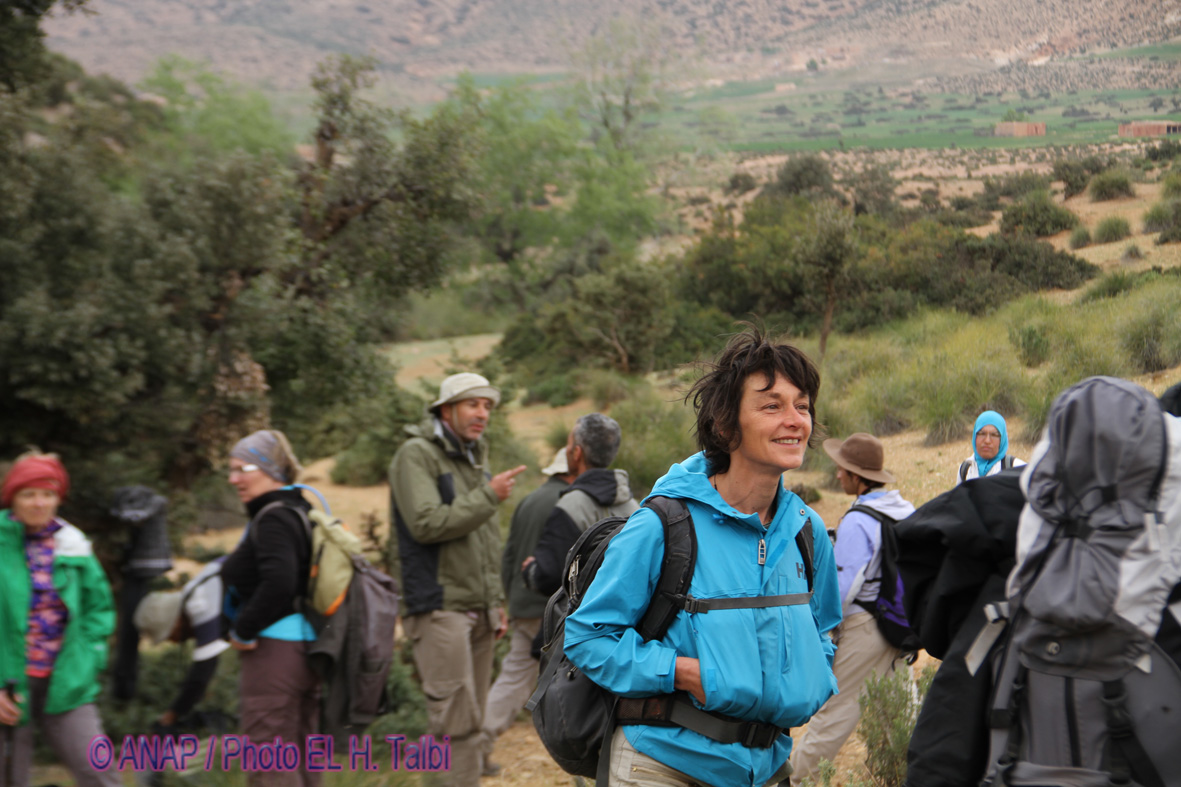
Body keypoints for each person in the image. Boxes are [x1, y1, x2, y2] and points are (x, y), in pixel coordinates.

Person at [564, 327, 841, 787]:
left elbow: (824, 629)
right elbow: (588, 637)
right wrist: (685, 673)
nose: (795, 420)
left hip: (766, 767)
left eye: (802, 406)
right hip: (661, 763)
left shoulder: (808, 531)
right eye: (772, 406)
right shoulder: (664, 525)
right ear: (726, 425)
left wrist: (810, 677)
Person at [389, 373, 526, 787]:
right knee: (457, 722)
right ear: (445, 410)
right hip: (438, 605)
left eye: (487, 406)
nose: (482, 413)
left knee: (464, 720)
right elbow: (426, 523)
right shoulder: (416, 454)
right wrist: (489, 495)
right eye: (472, 404)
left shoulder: (472, 457)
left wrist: (494, 601)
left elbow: (482, 538)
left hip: (477, 607)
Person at [789, 433, 916, 786]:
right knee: (900, 713)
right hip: (900, 626)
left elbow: (842, 590)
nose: (838, 475)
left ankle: (793, 781)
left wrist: (818, 627)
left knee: (835, 712)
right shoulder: (904, 510)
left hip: (864, 627)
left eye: (843, 470)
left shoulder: (858, 520)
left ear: (858, 477)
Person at [0, 452, 120, 787]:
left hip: (66, 679)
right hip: (9, 684)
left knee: (99, 772)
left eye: (48, 494)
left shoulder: (73, 545)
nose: (39, 503)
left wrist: (90, 656)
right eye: (28, 494)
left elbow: (99, 608)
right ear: (12, 498)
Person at [219, 430, 319, 787]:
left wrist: (243, 630)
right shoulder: (299, 509)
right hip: (306, 650)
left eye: (242, 469)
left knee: (270, 762)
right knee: (303, 758)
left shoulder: (274, 517)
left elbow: (280, 582)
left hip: (274, 652)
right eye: (231, 470)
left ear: (270, 470)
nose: (233, 479)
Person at [480, 448, 575, 773]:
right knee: (517, 679)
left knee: (516, 675)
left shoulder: (529, 500)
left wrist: (509, 599)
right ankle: (476, 745)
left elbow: (508, 555)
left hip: (523, 602)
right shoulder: (568, 502)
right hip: (546, 606)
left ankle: (475, 746)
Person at [522, 413, 640, 596]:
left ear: (577, 453)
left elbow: (550, 577)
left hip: (584, 611)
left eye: (569, 446)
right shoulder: (634, 507)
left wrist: (530, 571)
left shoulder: (571, 505)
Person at [133, 558, 229, 730]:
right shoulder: (194, 591)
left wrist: (171, 716)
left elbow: (202, 673)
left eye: (170, 636)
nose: (174, 642)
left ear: (175, 622)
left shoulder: (199, 605)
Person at [110, 485, 173, 701]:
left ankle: (127, 688)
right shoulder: (152, 504)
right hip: (138, 568)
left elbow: (135, 516)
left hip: (147, 569)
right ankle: (125, 688)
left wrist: (117, 512)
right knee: (129, 630)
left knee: (133, 627)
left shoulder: (156, 502)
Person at [956, 410, 1025, 485]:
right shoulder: (966, 469)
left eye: (994, 435)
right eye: (982, 434)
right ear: (975, 437)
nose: (987, 441)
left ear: (1002, 440)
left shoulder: (1017, 469)